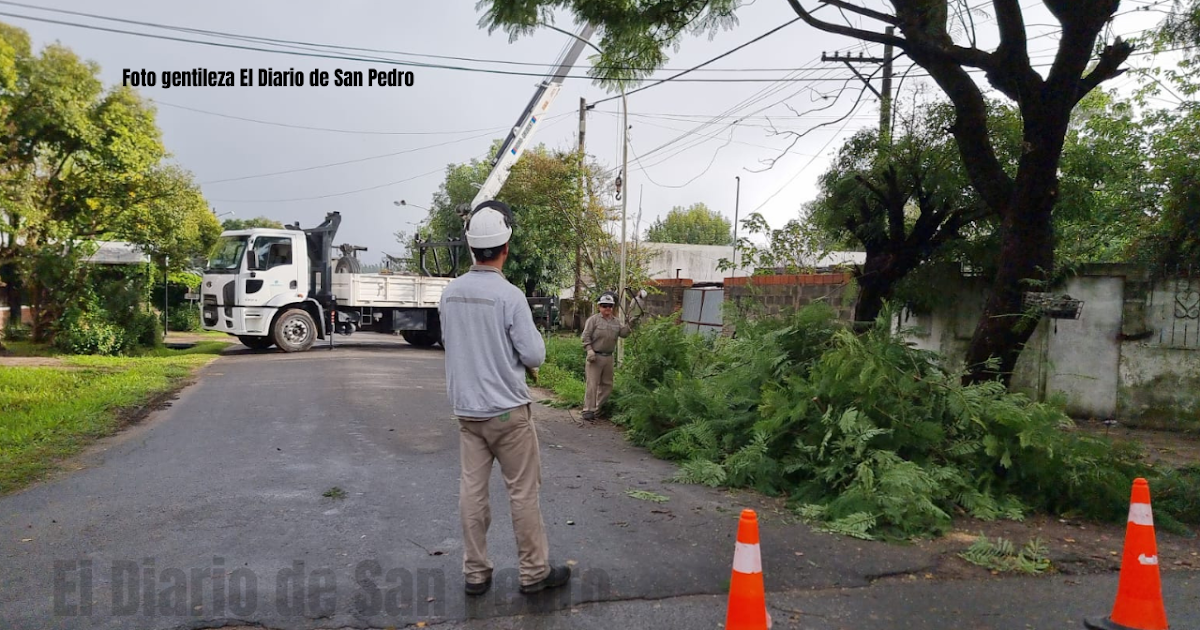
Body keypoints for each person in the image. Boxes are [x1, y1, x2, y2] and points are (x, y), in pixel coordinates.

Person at [437, 200, 570, 597]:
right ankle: (533, 573)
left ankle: (475, 573)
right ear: (506, 247)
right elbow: (534, 355)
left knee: (472, 491)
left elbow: (451, 342)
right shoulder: (510, 297)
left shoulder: (450, 295)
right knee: (522, 492)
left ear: (471, 248)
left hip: (468, 413)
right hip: (508, 415)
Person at [580, 291, 632, 421]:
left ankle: (598, 409)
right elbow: (585, 336)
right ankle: (588, 410)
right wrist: (589, 350)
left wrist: (631, 323)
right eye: (604, 305)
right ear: (599, 307)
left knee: (607, 384)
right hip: (595, 356)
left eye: (609, 306)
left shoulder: (616, 322)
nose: (607, 308)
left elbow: (624, 334)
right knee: (592, 384)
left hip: (609, 357)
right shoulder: (593, 320)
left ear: (613, 307)